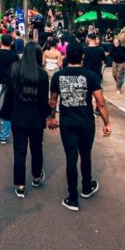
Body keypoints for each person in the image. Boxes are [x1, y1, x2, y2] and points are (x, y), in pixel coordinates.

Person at [49, 44, 111, 211]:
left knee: (71, 159)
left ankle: (72, 198)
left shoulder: (58, 76)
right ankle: (86, 187)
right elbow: (100, 102)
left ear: (66, 56)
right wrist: (107, 123)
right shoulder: (91, 75)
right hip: (86, 123)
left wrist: (52, 118)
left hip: (67, 123)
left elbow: (53, 100)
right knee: (86, 155)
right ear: (82, 56)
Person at [6, 44, 50, 199]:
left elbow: (9, 93)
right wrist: (48, 115)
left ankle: (20, 185)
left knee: (19, 151)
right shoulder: (42, 75)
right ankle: (36, 177)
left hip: (18, 116)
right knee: (37, 148)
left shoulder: (14, 69)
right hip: (36, 119)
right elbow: (44, 101)